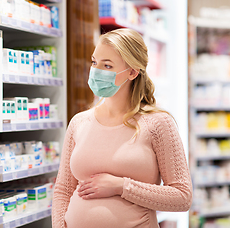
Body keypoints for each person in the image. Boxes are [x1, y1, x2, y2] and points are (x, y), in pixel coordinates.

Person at [52, 28, 192, 228]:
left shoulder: (158, 123)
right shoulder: (79, 122)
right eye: (94, 62)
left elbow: (182, 197)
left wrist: (121, 186)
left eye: (107, 65)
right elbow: (63, 190)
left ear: (133, 72)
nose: (96, 71)